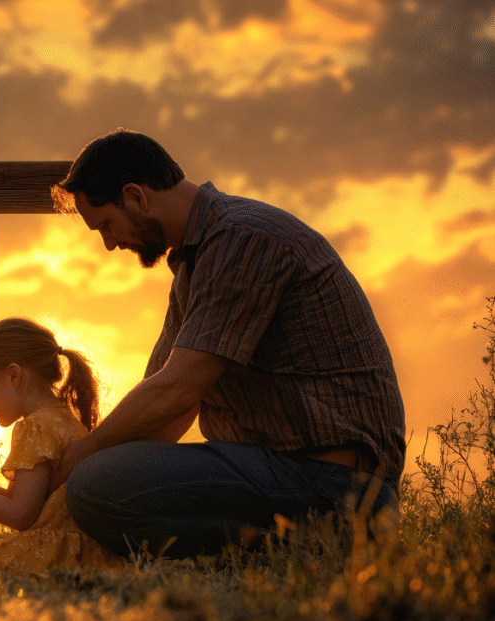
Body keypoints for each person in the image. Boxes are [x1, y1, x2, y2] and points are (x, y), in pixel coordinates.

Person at [48, 128, 406, 559]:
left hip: (334, 484)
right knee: (99, 481)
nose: (109, 243)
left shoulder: (244, 239)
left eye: (105, 223)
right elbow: (164, 413)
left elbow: (176, 391)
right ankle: (278, 553)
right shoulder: (195, 266)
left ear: (136, 197)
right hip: (282, 475)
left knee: (94, 484)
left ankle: (308, 549)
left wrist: (75, 461)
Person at [0, 318, 125, 573]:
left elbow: (19, 514)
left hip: (53, 556)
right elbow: (20, 498)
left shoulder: (34, 428)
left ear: (13, 375)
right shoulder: (62, 419)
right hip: (79, 551)